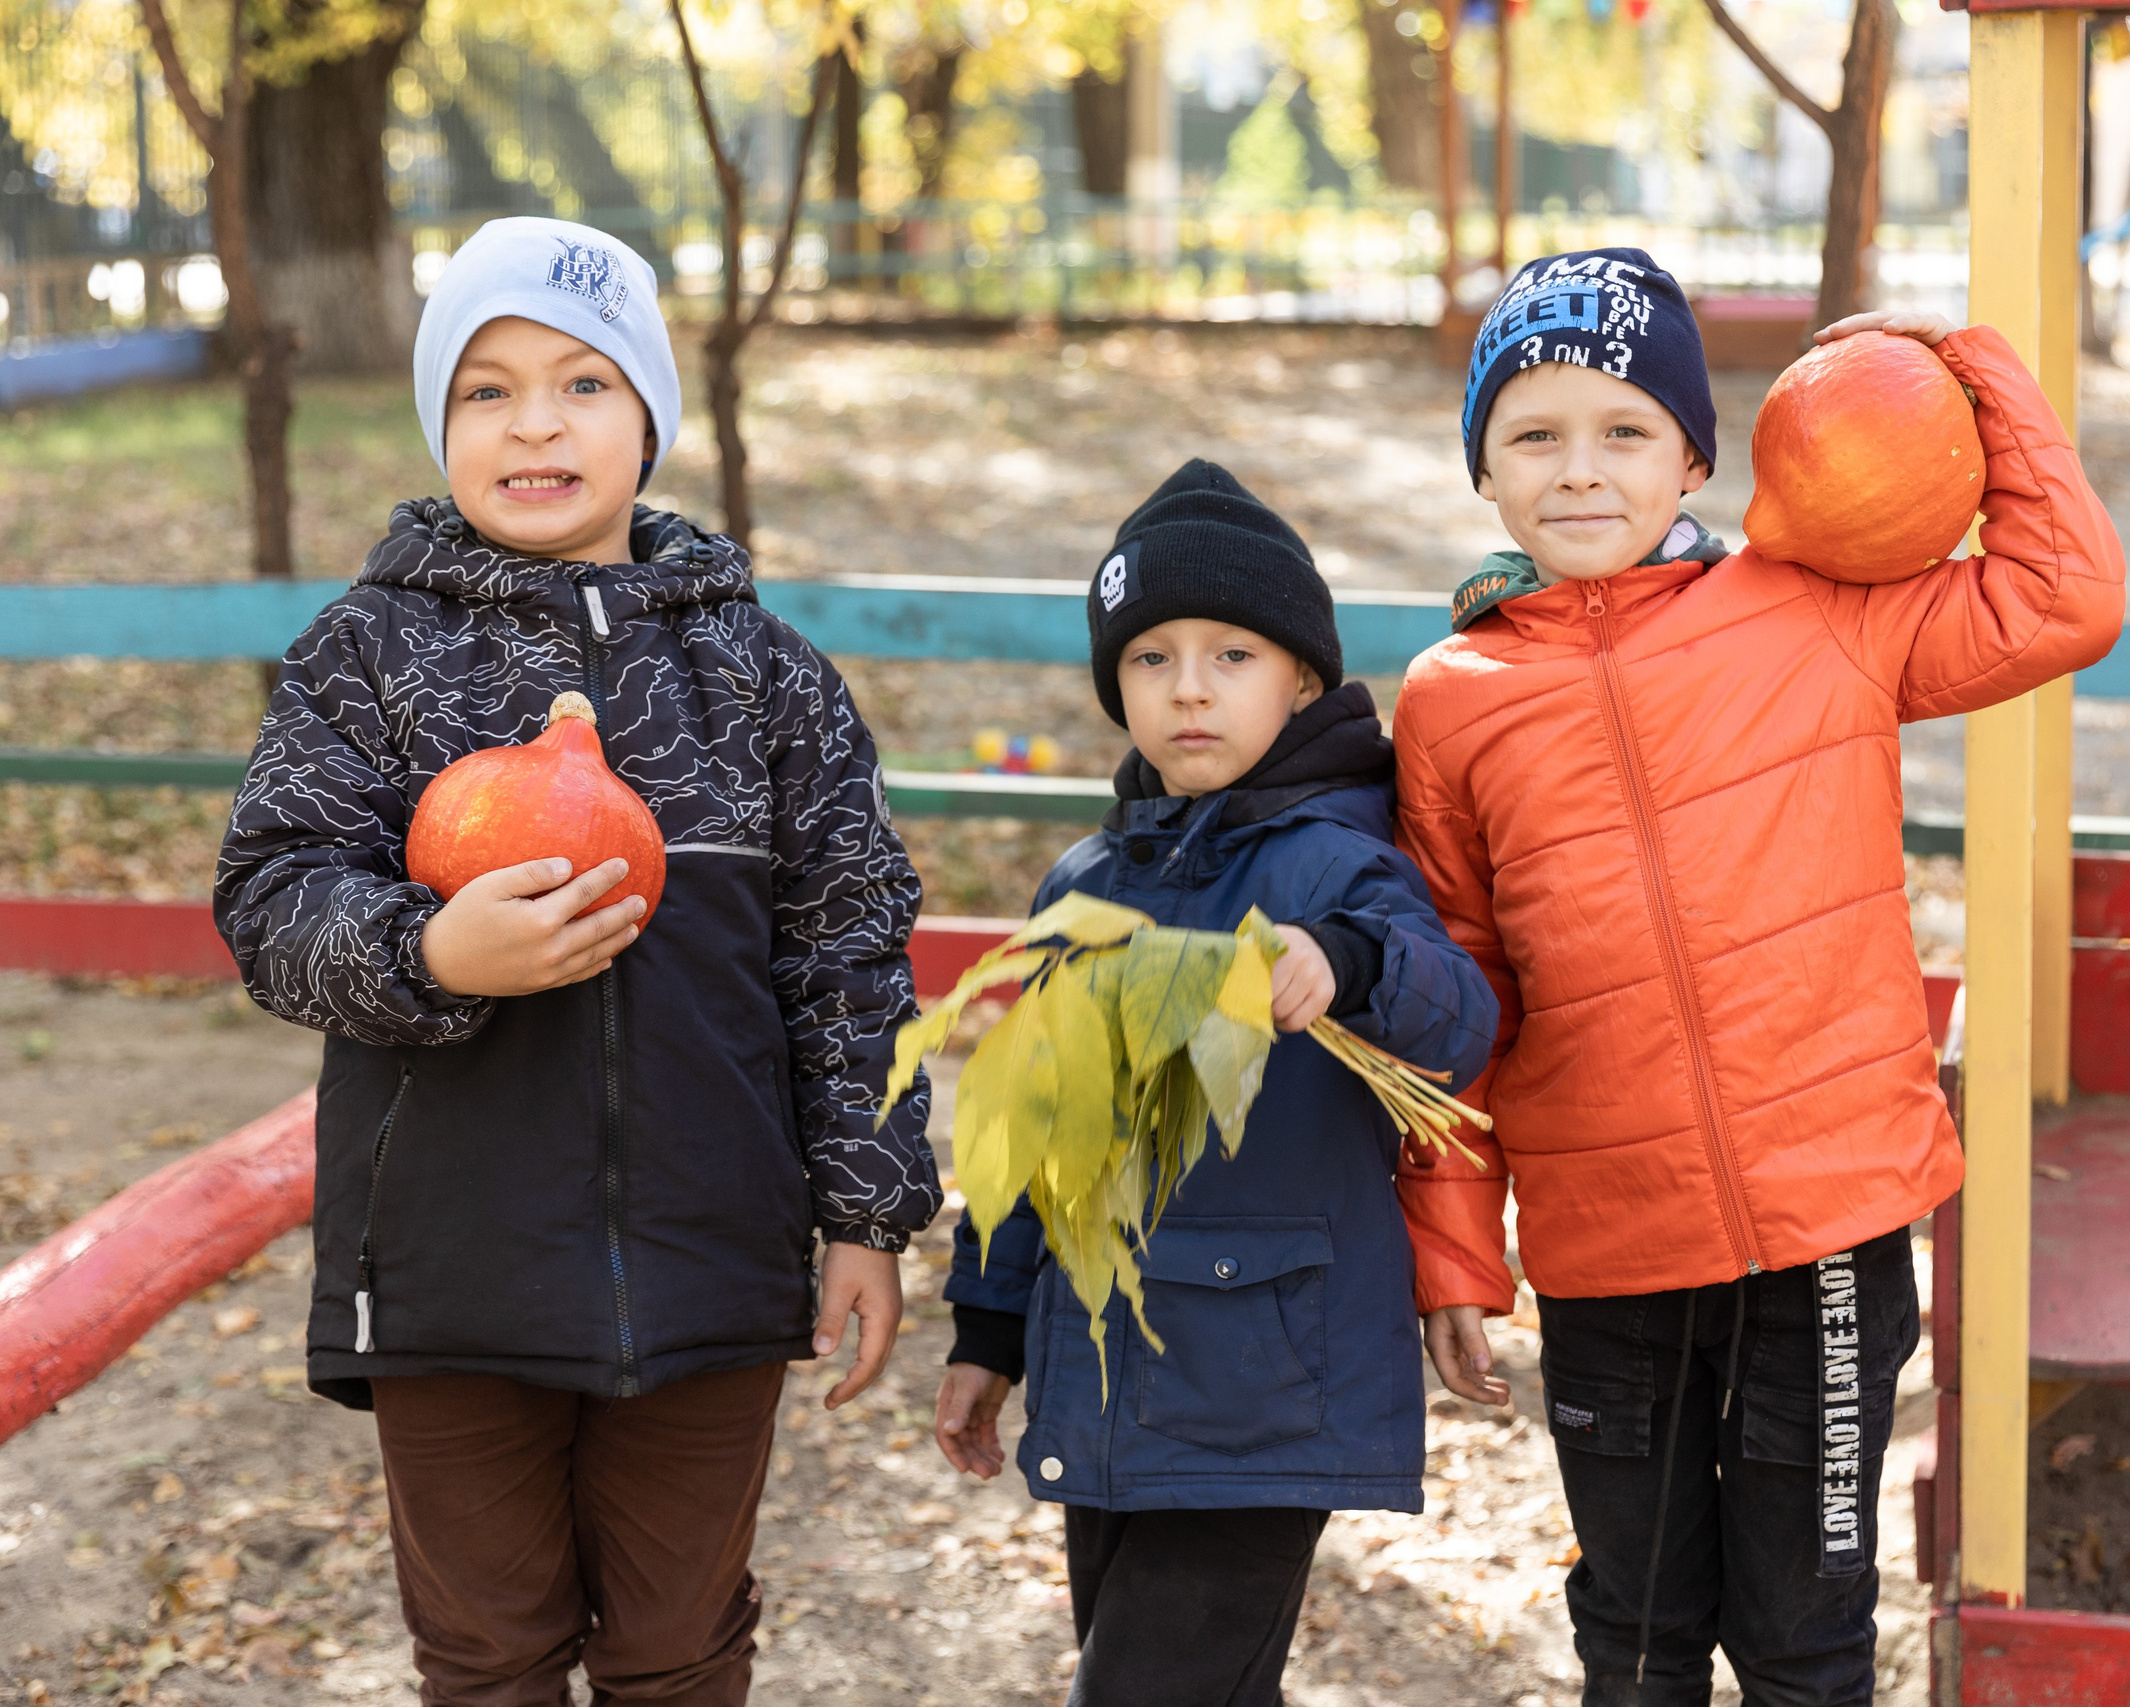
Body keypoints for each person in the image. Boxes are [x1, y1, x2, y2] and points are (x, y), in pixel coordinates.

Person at [213, 216, 938, 1705]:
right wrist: (432, 947)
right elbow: (271, 904)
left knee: (681, 1644)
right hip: (445, 1266)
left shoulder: (768, 677)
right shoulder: (367, 654)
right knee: (487, 1650)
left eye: (583, 383)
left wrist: (867, 1216)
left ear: (650, 419)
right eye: (486, 387)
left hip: (714, 1258)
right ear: (441, 423)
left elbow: (849, 954)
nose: (535, 420)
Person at [1393, 248, 2126, 1706]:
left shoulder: (1822, 614)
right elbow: (1453, 994)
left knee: (1804, 1638)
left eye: (1624, 431)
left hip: (1832, 1231)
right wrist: (1457, 1248)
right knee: (1641, 1634)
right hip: (1609, 1239)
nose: (1580, 470)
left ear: (1695, 454)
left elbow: (2066, 593)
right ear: (1483, 469)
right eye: (1532, 434)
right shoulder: (1450, 701)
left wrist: (1963, 361)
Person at [931, 459, 1500, 1707]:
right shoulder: (1086, 885)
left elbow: (1458, 1015)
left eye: (1231, 655)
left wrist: (1343, 963)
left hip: (1264, 1380)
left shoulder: (1341, 855)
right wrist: (986, 1326)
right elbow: (1033, 1132)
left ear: (1302, 677)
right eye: (1150, 658)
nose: (1188, 687)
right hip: (1103, 1365)